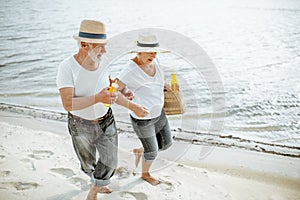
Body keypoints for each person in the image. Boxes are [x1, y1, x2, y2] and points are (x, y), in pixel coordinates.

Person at [56, 19, 148, 200]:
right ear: (84, 44)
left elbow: (109, 86)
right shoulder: (67, 68)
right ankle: (96, 181)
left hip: (106, 121)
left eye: (105, 46)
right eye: (100, 47)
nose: (105, 51)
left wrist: (125, 95)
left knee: (110, 163)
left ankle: (95, 188)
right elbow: (68, 104)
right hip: (79, 125)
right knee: (88, 164)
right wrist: (98, 98)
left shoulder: (102, 61)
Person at [117, 33, 172, 186]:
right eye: (149, 52)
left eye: (155, 51)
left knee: (166, 144)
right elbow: (113, 91)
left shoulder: (155, 62)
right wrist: (132, 105)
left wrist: (164, 85)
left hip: (159, 113)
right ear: (138, 51)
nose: (153, 55)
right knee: (152, 152)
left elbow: (155, 82)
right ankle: (145, 174)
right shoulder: (129, 70)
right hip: (142, 118)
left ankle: (140, 150)